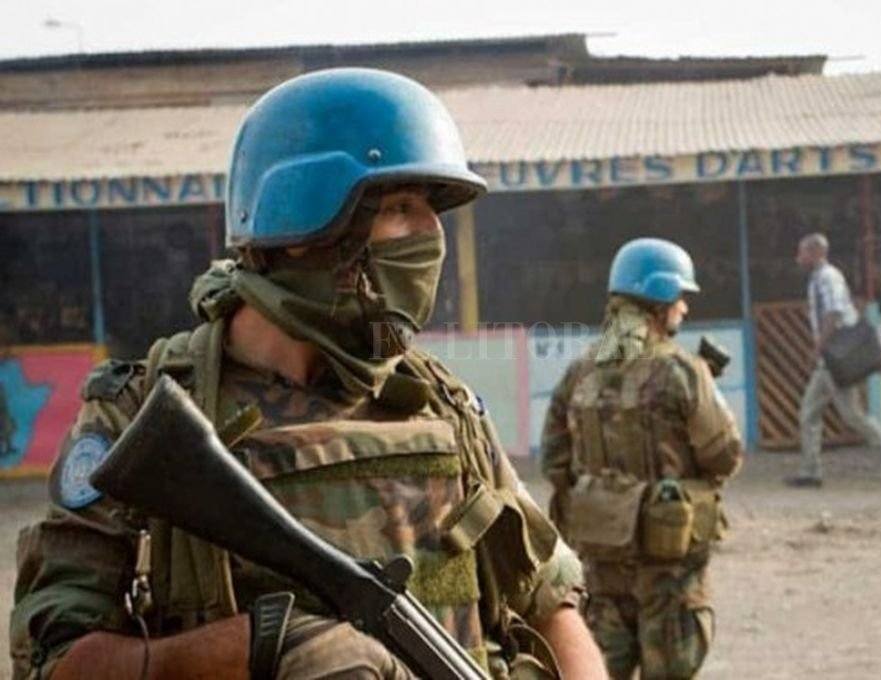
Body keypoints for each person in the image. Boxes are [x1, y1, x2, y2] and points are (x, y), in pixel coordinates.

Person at [10, 68, 606, 680]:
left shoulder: (441, 404)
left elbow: (552, 604)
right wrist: (257, 646)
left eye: (432, 213)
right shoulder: (143, 415)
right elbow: (55, 664)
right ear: (302, 228)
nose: (431, 237)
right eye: (401, 208)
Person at [540, 238, 744, 680]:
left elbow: (554, 462)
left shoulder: (580, 370)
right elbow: (724, 456)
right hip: (667, 566)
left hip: (600, 565)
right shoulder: (681, 370)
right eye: (680, 297)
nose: (685, 308)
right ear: (659, 299)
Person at [787, 232, 881, 489]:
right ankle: (811, 471)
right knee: (811, 412)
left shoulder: (827, 277)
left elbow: (834, 314)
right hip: (830, 358)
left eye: (802, 252)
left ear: (815, 252)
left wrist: (818, 347)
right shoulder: (821, 278)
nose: (798, 258)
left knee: (851, 416)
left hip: (834, 356)